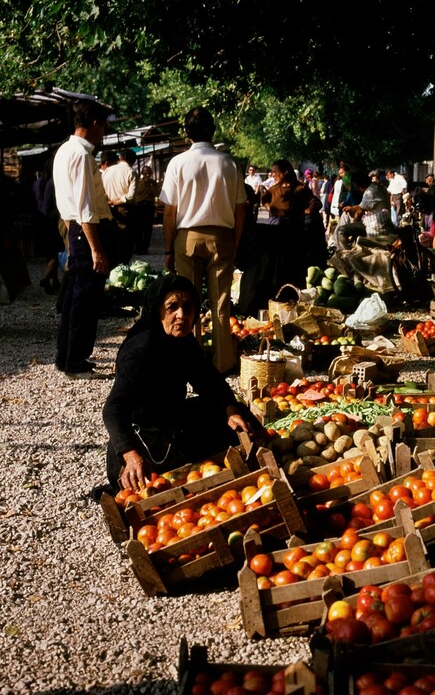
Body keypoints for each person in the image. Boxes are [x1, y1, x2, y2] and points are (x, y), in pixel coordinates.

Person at [102, 274, 263, 493]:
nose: (182, 315)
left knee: (238, 415)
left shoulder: (184, 342)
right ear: (158, 310)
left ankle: (257, 461)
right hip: (144, 438)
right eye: (172, 307)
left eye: (188, 307)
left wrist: (230, 411)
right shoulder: (140, 350)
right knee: (158, 480)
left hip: (172, 421)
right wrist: (130, 455)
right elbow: (113, 410)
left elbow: (210, 382)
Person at [159, 106, 246, 375]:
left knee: (187, 302)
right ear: (213, 130)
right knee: (221, 303)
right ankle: (223, 364)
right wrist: (235, 240)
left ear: (187, 133)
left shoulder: (178, 163)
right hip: (221, 238)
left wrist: (168, 248)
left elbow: (170, 211)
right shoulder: (228, 162)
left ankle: (189, 364)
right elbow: (240, 208)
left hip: (187, 238)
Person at [52, 99, 113, 378]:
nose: (104, 133)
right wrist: (96, 249)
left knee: (75, 298)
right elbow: (86, 208)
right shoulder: (81, 155)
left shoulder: (64, 151)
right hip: (84, 229)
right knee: (84, 301)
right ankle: (74, 360)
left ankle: (67, 357)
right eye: (103, 126)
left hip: (74, 227)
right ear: (95, 124)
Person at [237, 159, 320, 316]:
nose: (273, 175)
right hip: (275, 232)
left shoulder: (299, 188)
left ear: (285, 173)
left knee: (292, 268)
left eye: (276, 172)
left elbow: (315, 203)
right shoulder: (273, 188)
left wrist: (306, 212)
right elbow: (264, 199)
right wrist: (271, 209)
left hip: (294, 232)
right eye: (272, 172)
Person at [101, 148, 138, 265]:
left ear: (120, 158)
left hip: (108, 210)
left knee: (111, 241)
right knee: (125, 243)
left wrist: (110, 201)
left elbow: (101, 191)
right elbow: (131, 196)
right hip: (125, 211)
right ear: (133, 161)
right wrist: (117, 201)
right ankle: (122, 268)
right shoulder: (131, 172)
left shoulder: (107, 171)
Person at [32, 162, 62, 294]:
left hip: (42, 220)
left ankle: (54, 282)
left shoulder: (40, 182)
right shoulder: (54, 183)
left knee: (51, 253)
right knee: (56, 252)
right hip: (53, 221)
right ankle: (46, 279)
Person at [133, 165, 160, 254]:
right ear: (142, 173)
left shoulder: (153, 183)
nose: (147, 175)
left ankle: (145, 248)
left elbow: (157, 193)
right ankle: (138, 248)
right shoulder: (138, 182)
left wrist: (152, 186)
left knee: (148, 229)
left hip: (149, 206)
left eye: (149, 173)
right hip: (139, 206)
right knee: (138, 229)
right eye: (146, 173)